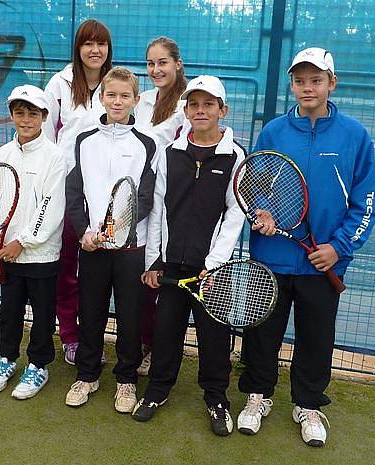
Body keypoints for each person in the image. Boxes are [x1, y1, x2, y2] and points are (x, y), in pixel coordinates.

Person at [236, 47, 375, 447]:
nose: (307, 87)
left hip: (322, 262)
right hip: (273, 257)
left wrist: (338, 247)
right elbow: (255, 185)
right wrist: (260, 213)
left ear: (332, 83)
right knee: (263, 333)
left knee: (316, 337)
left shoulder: (355, 135)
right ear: (292, 85)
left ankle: (308, 403)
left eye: (316, 80)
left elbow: (365, 201)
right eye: (300, 80)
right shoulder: (274, 132)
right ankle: (257, 396)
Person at [132, 76, 246, 436]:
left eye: (208, 104)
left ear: (222, 110)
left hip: (214, 271)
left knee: (214, 339)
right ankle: (157, 390)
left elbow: (235, 213)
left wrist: (214, 265)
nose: (200, 110)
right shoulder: (170, 154)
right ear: (185, 110)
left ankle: (216, 398)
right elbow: (158, 210)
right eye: (194, 104)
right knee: (166, 332)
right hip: (172, 266)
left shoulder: (235, 156)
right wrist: (154, 261)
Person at [64, 67, 158, 413]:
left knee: (131, 317)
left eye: (125, 96)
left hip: (130, 251)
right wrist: (87, 233)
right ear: (101, 97)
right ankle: (87, 375)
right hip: (92, 248)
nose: (117, 102)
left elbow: (146, 198)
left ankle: (126, 380)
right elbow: (75, 193)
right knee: (90, 314)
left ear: (136, 100)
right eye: (111, 95)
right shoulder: (83, 140)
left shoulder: (148, 144)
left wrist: (117, 228)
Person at [0, 85, 66, 400]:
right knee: (10, 310)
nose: (26, 119)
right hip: (7, 253)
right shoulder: (1, 155)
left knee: (43, 313)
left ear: (44, 117)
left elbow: (51, 206)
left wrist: (24, 241)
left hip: (41, 254)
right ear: (12, 116)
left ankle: (39, 365)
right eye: (20, 112)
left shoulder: (55, 156)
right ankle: (6, 358)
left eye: (33, 113)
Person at [43, 19, 113, 365]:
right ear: (79, 48)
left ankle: (94, 337)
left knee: (98, 274)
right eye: (88, 43)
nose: (95, 50)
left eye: (101, 44)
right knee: (67, 268)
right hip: (67, 195)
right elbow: (46, 138)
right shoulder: (59, 83)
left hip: (105, 197)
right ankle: (69, 335)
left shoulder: (116, 85)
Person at [133, 36, 187, 377]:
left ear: (177, 64)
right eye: (151, 63)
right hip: (139, 199)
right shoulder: (143, 100)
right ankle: (143, 343)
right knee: (142, 280)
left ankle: (160, 351)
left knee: (165, 279)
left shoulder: (188, 101)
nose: (156, 70)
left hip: (173, 201)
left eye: (162, 62)